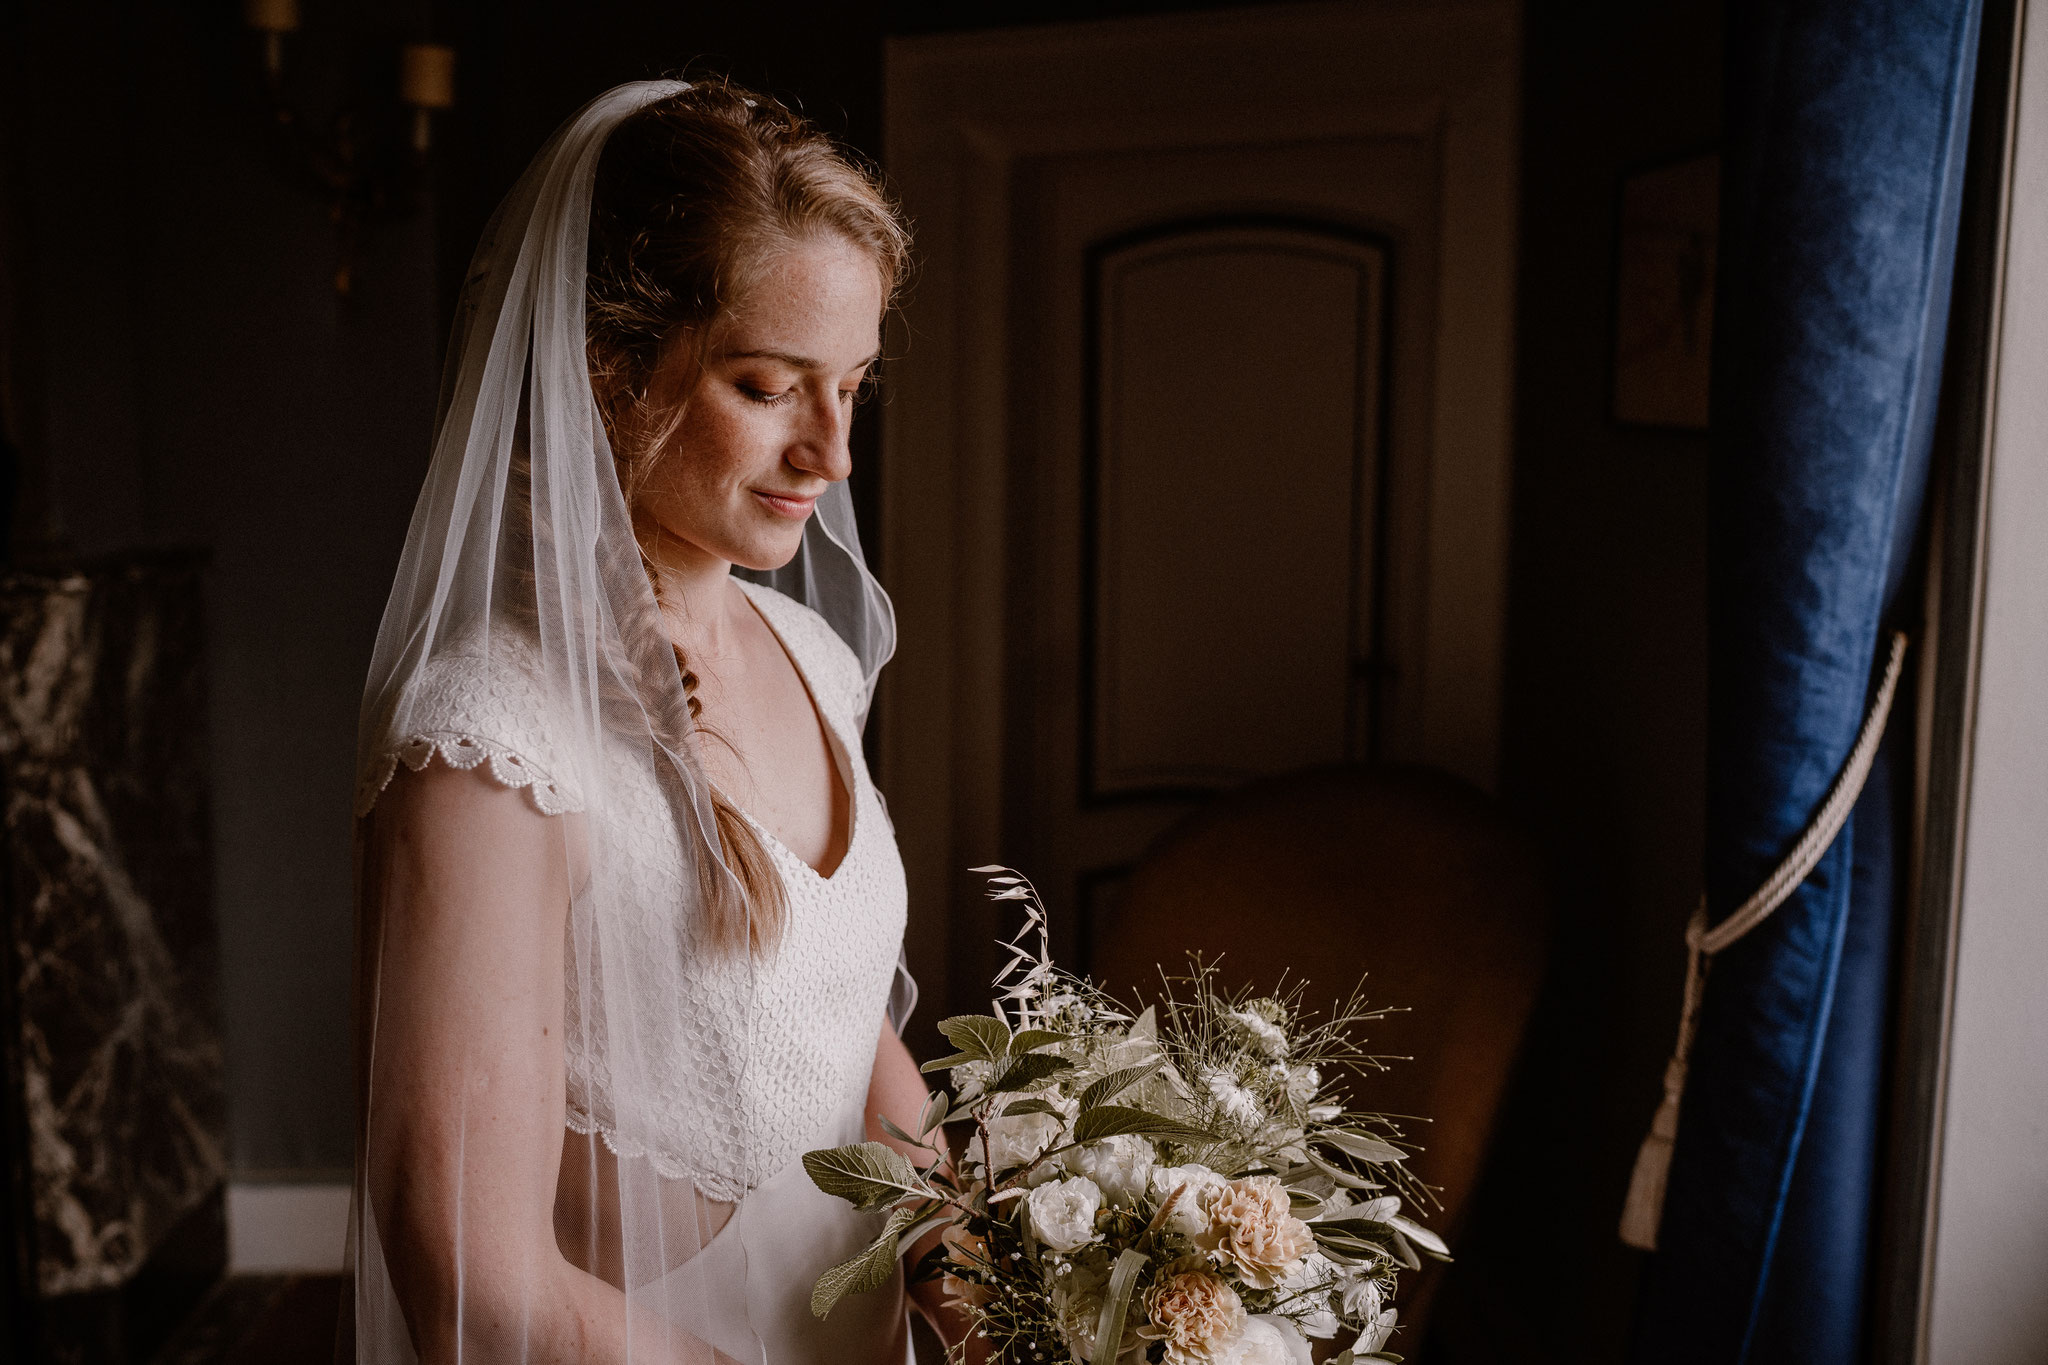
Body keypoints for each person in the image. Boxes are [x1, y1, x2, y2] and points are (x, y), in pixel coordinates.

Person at [346, 78, 961, 1364]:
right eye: (766, 385)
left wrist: (963, 1252)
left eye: (851, 385)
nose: (831, 455)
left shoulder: (809, 651)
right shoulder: (490, 743)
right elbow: (469, 1274)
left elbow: (837, 1017)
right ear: (609, 370)